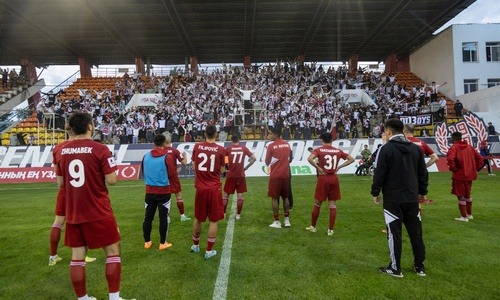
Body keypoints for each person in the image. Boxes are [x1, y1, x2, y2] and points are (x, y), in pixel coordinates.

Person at [56, 112, 131, 300]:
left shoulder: (61, 150)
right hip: (98, 209)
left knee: (77, 256)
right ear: (90, 127)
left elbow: (60, 184)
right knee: (113, 251)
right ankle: (114, 298)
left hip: (74, 211)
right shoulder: (100, 149)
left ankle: (83, 298)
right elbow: (112, 180)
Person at [371, 119, 428, 278]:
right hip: (412, 198)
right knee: (416, 233)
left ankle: (396, 268)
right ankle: (420, 266)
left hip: (393, 199)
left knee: (394, 233)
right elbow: (423, 173)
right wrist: (422, 191)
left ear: (388, 131)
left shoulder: (386, 149)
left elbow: (379, 173)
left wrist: (375, 192)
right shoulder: (416, 149)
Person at [49, 124, 96, 266]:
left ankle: (53, 256)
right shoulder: (84, 147)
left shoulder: (58, 148)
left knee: (58, 222)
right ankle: (82, 255)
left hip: (64, 191)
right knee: (82, 222)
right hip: (80, 192)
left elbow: (58, 176)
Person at [306, 132, 354, 235]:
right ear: (332, 140)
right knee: (332, 204)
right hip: (333, 178)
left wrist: (318, 168)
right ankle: (330, 230)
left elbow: (309, 158)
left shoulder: (319, 150)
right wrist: (339, 167)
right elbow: (352, 159)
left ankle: (313, 227)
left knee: (317, 203)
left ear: (322, 140)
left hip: (323, 178)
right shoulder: (337, 151)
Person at [190, 125, 226, 260]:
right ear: (216, 134)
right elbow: (222, 170)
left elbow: (194, 165)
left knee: (198, 218)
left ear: (205, 134)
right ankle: (209, 251)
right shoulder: (221, 149)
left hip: (200, 188)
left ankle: (195, 245)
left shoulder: (197, 147)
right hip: (214, 188)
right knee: (213, 220)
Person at [141, 134, 174, 251]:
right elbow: (172, 174)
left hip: (149, 191)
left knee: (148, 217)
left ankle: (147, 241)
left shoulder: (145, 156)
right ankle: (162, 243)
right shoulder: (167, 157)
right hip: (164, 191)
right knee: (163, 217)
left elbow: (143, 171)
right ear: (164, 144)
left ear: (153, 143)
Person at [447, 132, 484, 222]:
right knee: (467, 195)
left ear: (454, 138)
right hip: (469, 175)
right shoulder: (470, 147)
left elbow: (450, 159)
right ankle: (469, 214)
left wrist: (454, 168)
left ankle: (464, 217)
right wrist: (475, 169)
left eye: (451, 138)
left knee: (460, 196)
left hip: (459, 175)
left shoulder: (454, 147)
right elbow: (480, 159)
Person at [403, 123, 439, 207]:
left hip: (404, 174)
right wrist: (424, 166)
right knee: (418, 200)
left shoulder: (402, 143)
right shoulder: (421, 143)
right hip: (418, 175)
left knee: (404, 199)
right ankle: (417, 218)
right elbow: (435, 157)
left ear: (404, 131)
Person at [222, 135, 257, 220]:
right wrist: (246, 167)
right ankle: (238, 215)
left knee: (226, 195)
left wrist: (227, 167)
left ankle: (223, 214)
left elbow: (225, 161)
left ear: (231, 141)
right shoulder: (244, 148)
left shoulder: (228, 149)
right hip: (240, 175)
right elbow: (254, 158)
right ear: (239, 140)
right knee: (240, 196)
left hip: (231, 175)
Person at [265, 127, 292, 228]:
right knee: (285, 197)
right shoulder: (287, 144)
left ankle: (277, 221)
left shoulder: (271, 146)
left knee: (274, 198)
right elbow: (289, 158)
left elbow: (267, 162)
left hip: (275, 175)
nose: (269, 135)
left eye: (271, 134)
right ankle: (287, 220)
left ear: (275, 135)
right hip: (286, 174)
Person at [163, 132, 191, 221]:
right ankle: (182, 216)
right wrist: (185, 156)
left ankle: (167, 217)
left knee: (165, 197)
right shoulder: (174, 151)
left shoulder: (161, 151)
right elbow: (184, 162)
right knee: (178, 195)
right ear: (170, 140)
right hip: (173, 176)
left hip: (163, 177)